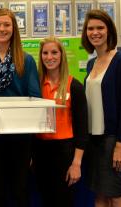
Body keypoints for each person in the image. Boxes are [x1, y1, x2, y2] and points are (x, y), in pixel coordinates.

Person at [0, 8, 41, 207]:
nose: (2, 29)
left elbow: (35, 98)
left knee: (19, 188)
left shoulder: (25, 60)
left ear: (14, 29)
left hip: (19, 135)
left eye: (6, 25)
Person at [82, 9, 121, 207]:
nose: (95, 32)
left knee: (115, 194)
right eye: (90, 28)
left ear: (109, 30)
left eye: (100, 28)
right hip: (94, 139)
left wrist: (120, 144)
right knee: (100, 194)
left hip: (113, 139)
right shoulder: (91, 64)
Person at [32, 36, 88, 207]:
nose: (49, 57)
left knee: (63, 200)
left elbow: (82, 128)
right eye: (45, 53)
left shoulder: (74, 86)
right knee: (46, 198)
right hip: (40, 151)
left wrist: (76, 164)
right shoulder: (36, 86)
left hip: (65, 152)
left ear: (62, 55)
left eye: (54, 52)